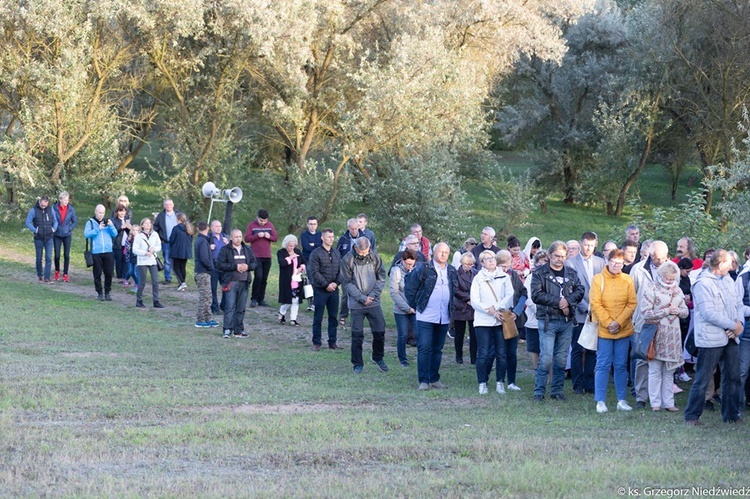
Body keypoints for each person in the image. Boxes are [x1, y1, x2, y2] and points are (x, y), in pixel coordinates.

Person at [684, 250, 744, 425]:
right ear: (720, 264)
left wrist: (738, 323)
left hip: (731, 337)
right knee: (703, 378)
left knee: (733, 377)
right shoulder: (702, 284)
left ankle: (731, 415)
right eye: (729, 263)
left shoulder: (728, 280)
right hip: (711, 339)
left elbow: (738, 303)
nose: (732, 266)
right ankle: (691, 416)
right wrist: (733, 325)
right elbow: (708, 313)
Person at [530, 241, 584, 402]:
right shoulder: (540, 273)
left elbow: (580, 290)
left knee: (561, 359)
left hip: (566, 320)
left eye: (563, 256)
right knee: (546, 358)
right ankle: (539, 391)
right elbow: (536, 295)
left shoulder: (571, 273)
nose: (560, 259)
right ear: (549, 255)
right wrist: (558, 301)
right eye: (556, 256)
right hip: (548, 320)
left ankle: (557, 390)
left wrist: (567, 300)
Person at [588, 247, 637, 413]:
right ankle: (600, 401)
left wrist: (619, 322)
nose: (617, 265)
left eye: (620, 263)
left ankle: (621, 400)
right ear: (608, 261)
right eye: (614, 262)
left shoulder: (628, 280)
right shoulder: (598, 279)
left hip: (623, 330)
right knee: (602, 365)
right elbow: (595, 303)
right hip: (604, 330)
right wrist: (609, 323)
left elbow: (632, 303)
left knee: (621, 365)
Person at [405, 242, 457, 391]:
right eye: (440, 251)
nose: (443, 255)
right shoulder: (424, 268)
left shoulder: (452, 271)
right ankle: (423, 381)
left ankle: (434, 378)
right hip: (425, 316)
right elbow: (410, 289)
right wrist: (416, 306)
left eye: (446, 252)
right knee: (424, 348)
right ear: (434, 252)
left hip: (444, 316)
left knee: (437, 349)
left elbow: (455, 289)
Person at [640, 261, 689, 411]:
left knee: (669, 371)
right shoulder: (651, 288)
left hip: (673, 336)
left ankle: (669, 403)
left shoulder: (678, 290)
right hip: (656, 334)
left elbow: (685, 312)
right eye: (668, 278)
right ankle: (655, 403)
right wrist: (666, 311)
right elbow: (645, 313)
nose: (670, 281)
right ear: (661, 275)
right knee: (655, 370)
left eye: (673, 278)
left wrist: (678, 311)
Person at [630, 241, 670, 409]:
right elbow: (631, 295)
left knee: (663, 359)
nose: (658, 261)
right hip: (644, 322)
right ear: (650, 254)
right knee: (642, 359)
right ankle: (641, 396)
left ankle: (660, 398)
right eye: (655, 257)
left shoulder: (670, 267)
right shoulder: (638, 269)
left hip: (666, 322)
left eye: (661, 258)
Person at [565, 231, 605, 395]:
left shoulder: (601, 262)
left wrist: (597, 308)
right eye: (586, 245)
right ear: (581, 244)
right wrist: (586, 307)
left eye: (591, 245)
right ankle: (577, 384)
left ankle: (590, 384)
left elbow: (604, 287)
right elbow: (569, 290)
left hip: (597, 311)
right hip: (580, 312)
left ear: (595, 244)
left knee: (592, 350)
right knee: (577, 349)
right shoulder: (570, 263)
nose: (588, 248)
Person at [340, 237, 388, 373]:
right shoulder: (347, 259)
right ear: (355, 248)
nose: (364, 254)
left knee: (380, 331)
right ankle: (357, 364)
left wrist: (372, 296)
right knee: (357, 335)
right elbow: (347, 282)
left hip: (374, 301)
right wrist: (361, 298)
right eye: (362, 252)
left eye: (366, 251)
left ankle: (378, 357)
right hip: (356, 304)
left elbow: (381, 277)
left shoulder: (375, 257)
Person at [470, 249, 515, 395]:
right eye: (487, 259)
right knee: (483, 353)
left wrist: (496, 309)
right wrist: (488, 310)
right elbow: (475, 300)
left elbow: (510, 295)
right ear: (482, 263)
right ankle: (482, 382)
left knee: (501, 352)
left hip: (500, 318)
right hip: (483, 320)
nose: (491, 261)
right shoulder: (478, 278)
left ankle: (500, 382)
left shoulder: (504, 276)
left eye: (493, 258)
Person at [308, 228, 343, 351]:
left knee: (333, 317)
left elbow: (341, 270)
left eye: (333, 237)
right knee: (318, 317)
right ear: (322, 238)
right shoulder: (316, 253)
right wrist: (326, 285)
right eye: (329, 237)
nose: (331, 239)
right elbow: (314, 272)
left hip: (334, 290)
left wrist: (336, 283)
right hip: (320, 290)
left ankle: (332, 342)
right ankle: (316, 342)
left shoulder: (336, 253)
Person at [217, 229, 257, 338]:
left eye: (240, 236)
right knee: (230, 307)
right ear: (231, 237)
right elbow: (220, 264)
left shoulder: (247, 249)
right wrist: (235, 267)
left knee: (241, 307)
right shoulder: (225, 250)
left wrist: (248, 267)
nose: (238, 239)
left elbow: (254, 263)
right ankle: (227, 330)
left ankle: (239, 330)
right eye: (236, 237)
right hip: (231, 282)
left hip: (244, 282)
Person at [389, 248, 418, 367]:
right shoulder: (396, 271)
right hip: (401, 309)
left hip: (415, 309)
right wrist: (407, 308)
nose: (409, 266)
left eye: (412, 264)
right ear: (402, 261)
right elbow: (394, 292)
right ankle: (403, 360)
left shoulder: (416, 271)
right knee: (403, 335)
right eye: (407, 264)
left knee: (418, 334)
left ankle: (421, 358)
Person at [83, 205, 118, 301]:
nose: (101, 215)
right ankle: (99, 293)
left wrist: (111, 226)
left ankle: (107, 292)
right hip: (96, 252)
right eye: (99, 212)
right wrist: (98, 228)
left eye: (103, 213)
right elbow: (86, 234)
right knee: (97, 273)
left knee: (109, 273)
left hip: (108, 251)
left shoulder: (107, 222)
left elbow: (115, 234)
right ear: (95, 212)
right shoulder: (90, 222)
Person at [244, 209, 278, 307]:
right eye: (261, 220)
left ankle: (261, 298)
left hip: (267, 256)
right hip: (256, 256)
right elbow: (246, 238)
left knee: (264, 278)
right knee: (258, 277)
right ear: (257, 218)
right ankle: (254, 298)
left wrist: (269, 237)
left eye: (264, 221)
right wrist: (257, 236)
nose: (262, 222)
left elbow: (275, 238)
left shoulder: (270, 226)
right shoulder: (252, 225)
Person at [25, 195, 58, 283]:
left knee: (48, 258)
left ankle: (47, 277)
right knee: (39, 258)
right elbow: (28, 222)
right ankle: (40, 274)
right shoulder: (33, 210)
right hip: (38, 238)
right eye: (42, 205)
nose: (43, 206)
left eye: (45, 205)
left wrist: (54, 229)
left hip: (49, 237)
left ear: (47, 203)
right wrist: (35, 230)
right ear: (39, 202)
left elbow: (55, 221)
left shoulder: (51, 210)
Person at [524, 250, 548, 370]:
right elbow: (527, 297)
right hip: (533, 318)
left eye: (545, 261)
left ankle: (550, 375)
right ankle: (537, 371)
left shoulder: (552, 278)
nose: (542, 264)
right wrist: (537, 309)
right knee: (534, 348)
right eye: (540, 262)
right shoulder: (530, 278)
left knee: (548, 349)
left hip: (549, 317)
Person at [453, 252, 477, 365]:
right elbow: (455, 290)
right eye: (467, 264)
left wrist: (474, 299)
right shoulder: (456, 274)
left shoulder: (475, 273)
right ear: (462, 263)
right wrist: (469, 298)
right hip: (460, 307)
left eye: (471, 264)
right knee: (459, 334)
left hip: (473, 307)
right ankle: (459, 356)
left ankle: (474, 357)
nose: (469, 266)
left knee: (474, 334)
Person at [133, 218, 163, 309]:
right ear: (142, 225)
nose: (148, 225)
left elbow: (159, 246)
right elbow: (135, 249)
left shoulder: (155, 234)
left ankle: (156, 300)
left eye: (149, 223)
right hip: (142, 261)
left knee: (155, 281)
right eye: (146, 223)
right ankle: (139, 300)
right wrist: (145, 252)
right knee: (142, 281)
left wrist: (154, 249)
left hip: (152, 260)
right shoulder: (139, 236)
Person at [336, 218, 361, 325]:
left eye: (356, 229)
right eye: (352, 229)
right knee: (346, 294)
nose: (354, 231)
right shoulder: (343, 239)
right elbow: (337, 254)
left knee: (358, 293)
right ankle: (343, 315)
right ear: (348, 228)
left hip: (360, 270)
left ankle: (357, 315)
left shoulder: (364, 238)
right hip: (346, 270)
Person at [193, 221, 217, 328]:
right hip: (203, 272)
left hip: (203, 272)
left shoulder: (201, 240)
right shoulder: (202, 241)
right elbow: (204, 258)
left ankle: (208, 318)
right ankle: (200, 319)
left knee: (208, 296)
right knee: (204, 297)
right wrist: (211, 267)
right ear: (208, 228)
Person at [277, 234, 305, 326]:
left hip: (297, 279)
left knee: (296, 300)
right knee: (288, 300)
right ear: (286, 244)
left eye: (293, 245)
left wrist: (301, 267)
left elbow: (303, 262)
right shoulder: (281, 252)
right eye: (290, 246)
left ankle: (293, 318)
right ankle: (282, 312)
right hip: (286, 280)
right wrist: (290, 257)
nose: (292, 248)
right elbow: (282, 263)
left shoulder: (298, 251)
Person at [51, 191, 77, 283]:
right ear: (60, 199)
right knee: (57, 255)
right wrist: (53, 228)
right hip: (57, 234)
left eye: (67, 200)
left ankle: (65, 273)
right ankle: (57, 271)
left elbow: (74, 221)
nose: (66, 201)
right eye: (64, 200)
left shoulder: (71, 209)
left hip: (67, 235)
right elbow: (51, 219)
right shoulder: (54, 208)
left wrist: (69, 228)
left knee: (66, 255)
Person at [153, 198, 178, 284]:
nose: (168, 206)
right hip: (166, 241)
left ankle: (180, 278)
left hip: (177, 242)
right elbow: (155, 227)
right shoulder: (161, 216)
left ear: (173, 205)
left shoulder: (178, 214)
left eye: (170, 204)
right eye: (166, 205)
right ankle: (168, 278)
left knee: (178, 260)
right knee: (167, 260)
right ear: (164, 206)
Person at [300, 216, 322, 311]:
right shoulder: (304, 235)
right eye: (310, 224)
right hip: (308, 260)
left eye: (314, 224)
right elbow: (307, 247)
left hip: (318, 260)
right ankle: (311, 303)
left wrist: (314, 244)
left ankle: (317, 302)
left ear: (317, 225)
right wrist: (316, 245)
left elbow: (322, 245)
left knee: (318, 280)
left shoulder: (320, 234)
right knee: (310, 281)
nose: (312, 226)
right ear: (307, 225)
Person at [169, 213, 194, 291]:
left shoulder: (176, 228)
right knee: (182, 267)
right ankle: (182, 283)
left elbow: (171, 239)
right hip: (186, 251)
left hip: (177, 251)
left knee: (176, 267)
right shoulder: (189, 228)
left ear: (178, 219)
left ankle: (182, 283)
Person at [209, 220, 229, 315]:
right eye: (216, 226)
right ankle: (214, 306)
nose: (218, 228)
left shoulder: (224, 237)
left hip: (224, 266)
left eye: (220, 226)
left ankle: (224, 305)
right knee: (213, 287)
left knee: (226, 286)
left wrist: (228, 243)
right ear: (212, 227)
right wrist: (209, 248)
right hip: (214, 265)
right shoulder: (209, 238)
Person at [110, 204, 132, 286]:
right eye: (120, 211)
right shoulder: (113, 220)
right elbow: (113, 233)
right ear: (117, 212)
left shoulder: (128, 220)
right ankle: (119, 276)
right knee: (119, 260)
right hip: (118, 244)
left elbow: (132, 232)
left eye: (123, 211)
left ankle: (125, 277)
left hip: (126, 244)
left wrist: (130, 228)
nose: (122, 213)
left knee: (126, 260)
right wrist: (121, 228)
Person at [123, 224, 140, 294]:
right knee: (130, 271)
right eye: (133, 230)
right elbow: (127, 248)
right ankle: (126, 279)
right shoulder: (129, 238)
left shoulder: (140, 238)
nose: (135, 232)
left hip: (137, 258)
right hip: (130, 258)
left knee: (136, 272)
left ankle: (137, 285)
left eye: (136, 230)